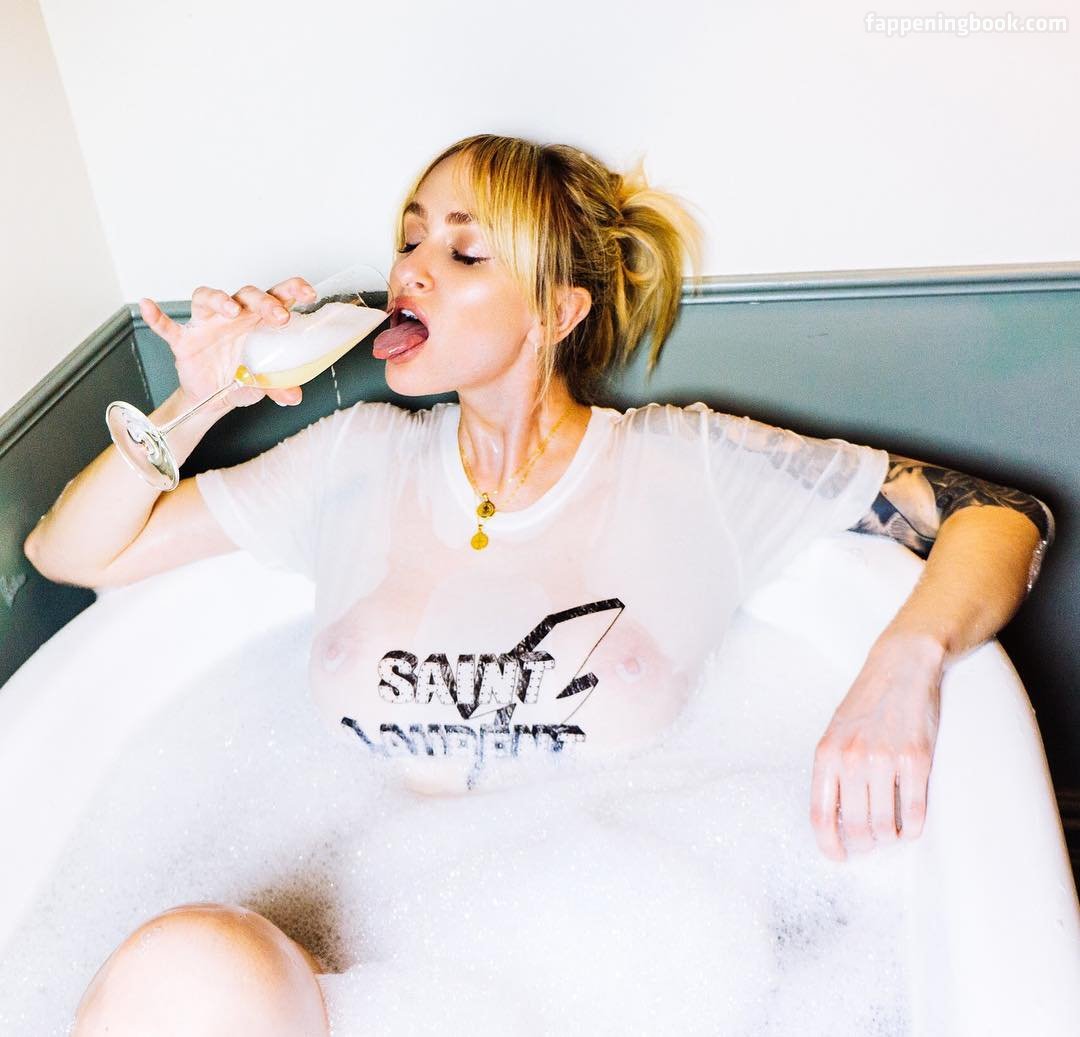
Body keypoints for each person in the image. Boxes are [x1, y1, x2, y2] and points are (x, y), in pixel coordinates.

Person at [24, 133, 1053, 1035]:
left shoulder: (683, 465)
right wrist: (205, 397)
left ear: (558, 310)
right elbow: (73, 554)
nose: (412, 270)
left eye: (464, 251)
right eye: (410, 240)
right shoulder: (351, 459)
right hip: (342, 957)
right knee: (188, 963)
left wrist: (901, 664)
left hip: (616, 956)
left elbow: (1000, 516)